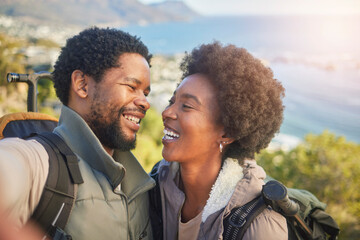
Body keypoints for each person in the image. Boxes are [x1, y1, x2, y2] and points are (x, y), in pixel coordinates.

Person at [0, 27, 155, 240]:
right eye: (131, 86)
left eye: (146, 93)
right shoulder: (39, 161)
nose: (145, 102)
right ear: (82, 85)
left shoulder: (143, 184)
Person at [150, 42, 288, 239]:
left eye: (186, 106)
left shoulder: (260, 226)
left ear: (227, 133)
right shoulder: (154, 187)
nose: (166, 112)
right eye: (172, 102)